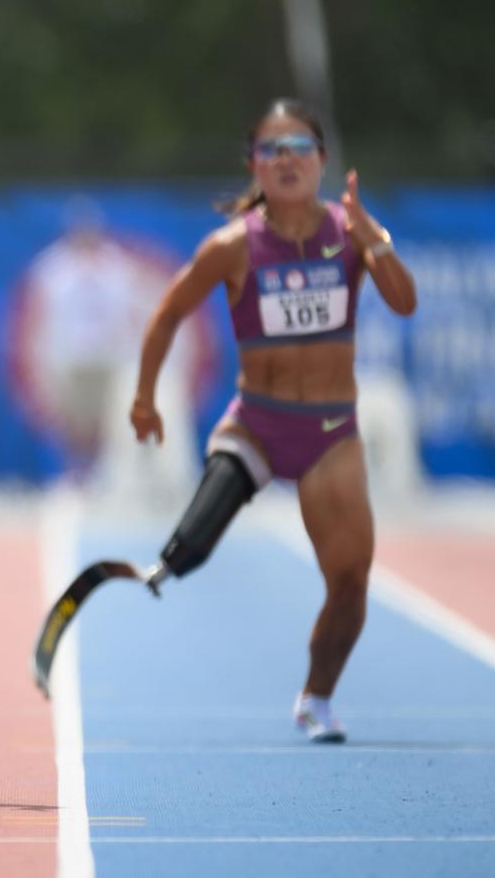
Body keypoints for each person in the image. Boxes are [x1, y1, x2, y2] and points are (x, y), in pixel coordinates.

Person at [130, 99, 417, 742]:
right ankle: (179, 553)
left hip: (329, 436)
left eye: (298, 147)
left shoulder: (350, 234)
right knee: (195, 539)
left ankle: (316, 698)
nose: (285, 159)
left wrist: (376, 241)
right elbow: (168, 313)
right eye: (270, 149)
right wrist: (145, 396)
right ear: (253, 166)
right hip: (256, 425)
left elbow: (404, 303)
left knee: (350, 581)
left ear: (321, 160)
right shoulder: (232, 247)